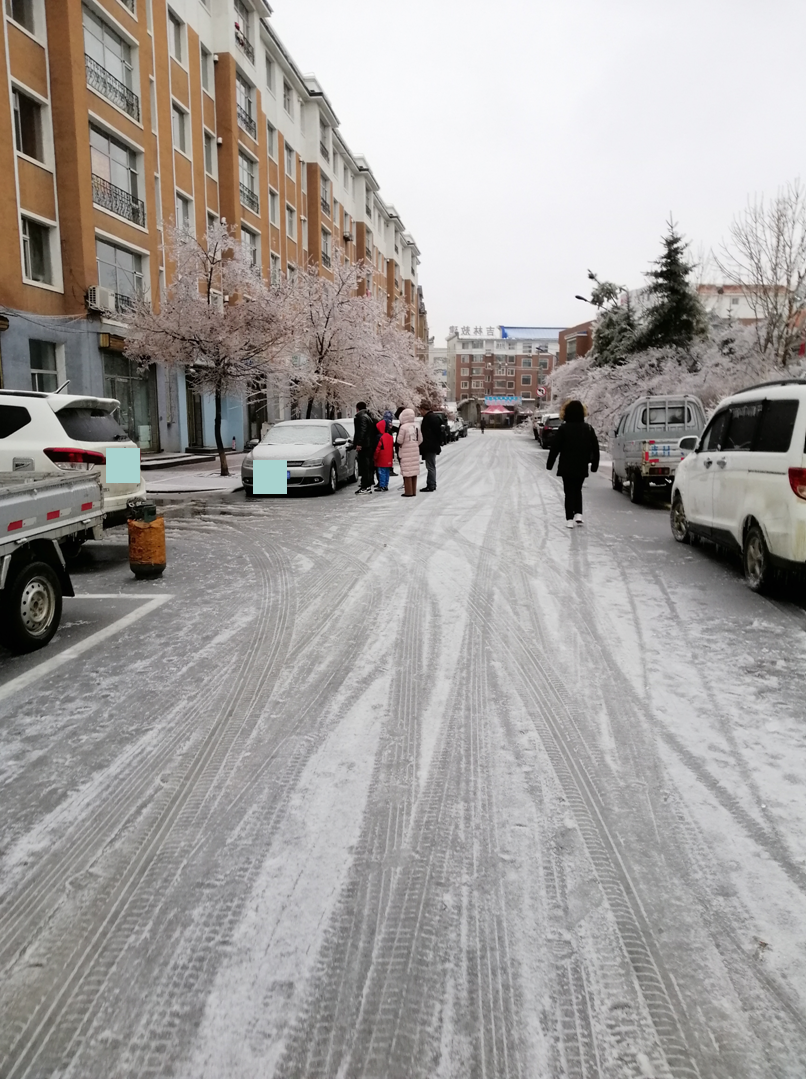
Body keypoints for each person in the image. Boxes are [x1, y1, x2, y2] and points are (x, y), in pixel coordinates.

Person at [546, 399, 600, 527]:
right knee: (578, 489)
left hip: (566, 464)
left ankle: (569, 518)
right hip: (581, 464)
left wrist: (550, 463)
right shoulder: (588, 428)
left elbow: (555, 447)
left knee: (569, 491)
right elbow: (595, 447)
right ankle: (579, 514)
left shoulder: (564, 429)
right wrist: (594, 464)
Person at [353, 400, 379, 494]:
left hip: (365, 445)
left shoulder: (361, 417)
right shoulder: (368, 416)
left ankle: (365, 486)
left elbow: (362, 431)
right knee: (367, 465)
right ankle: (367, 484)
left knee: (364, 466)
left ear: (357, 408)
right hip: (369, 444)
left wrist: (359, 443)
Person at [396, 407, 423, 496]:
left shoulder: (403, 427)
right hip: (415, 451)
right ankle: (414, 491)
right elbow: (420, 439)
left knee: (407, 472)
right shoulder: (417, 426)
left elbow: (399, 440)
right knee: (414, 471)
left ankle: (408, 492)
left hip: (405, 451)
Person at [419, 399, 442, 492]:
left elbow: (434, 433)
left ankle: (431, 485)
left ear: (423, 409)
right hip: (432, 445)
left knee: (430, 466)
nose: (420, 412)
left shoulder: (429, 418)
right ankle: (431, 484)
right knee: (431, 465)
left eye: (420, 410)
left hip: (429, 446)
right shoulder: (433, 417)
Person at [373, 420, 393, 491]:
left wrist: (375, 457)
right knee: (387, 472)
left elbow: (378, 449)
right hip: (388, 458)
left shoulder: (380, 437)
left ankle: (382, 485)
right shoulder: (390, 437)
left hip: (381, 458)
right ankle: (386, 485)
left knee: (381, 472)